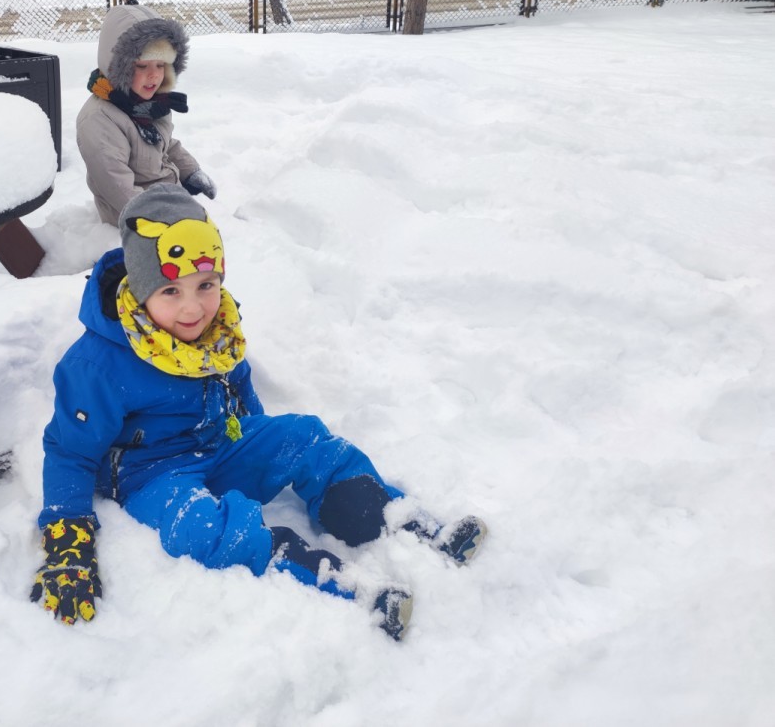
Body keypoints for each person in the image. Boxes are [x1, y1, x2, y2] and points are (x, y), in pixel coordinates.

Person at [31, 185, 488, 640]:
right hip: (151, 476)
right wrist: (67, 541)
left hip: (216, 443)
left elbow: (236, 379)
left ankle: (382, 516)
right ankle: (325, 577)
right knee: (201, 529)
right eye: (170, 290)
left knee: (302, 437)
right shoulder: (98, 365)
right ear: (141, 288)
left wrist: (260, 441)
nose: (193, 307)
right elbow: (69, 452)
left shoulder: (217, 330)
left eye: (205, 285)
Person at [77, 4, 215, 226]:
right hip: (137, 224)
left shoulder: (149, 105)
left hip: (168, 201)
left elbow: (165, 145)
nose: (154, 75)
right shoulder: (100, 119)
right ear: (117, 67)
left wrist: (190, 172)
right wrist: (162, 217)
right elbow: (116, 185)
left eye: (160, 65)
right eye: (142, 66)